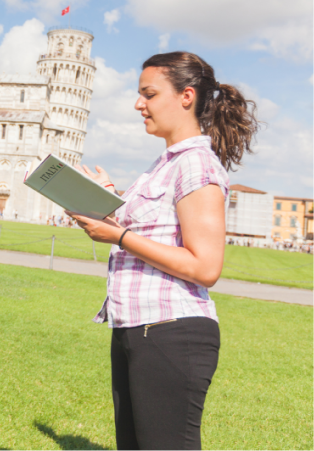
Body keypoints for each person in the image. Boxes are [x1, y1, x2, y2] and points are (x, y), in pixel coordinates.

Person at [66, 51, 258, 451]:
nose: (139, 104)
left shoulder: (196, 165)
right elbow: (159, 233)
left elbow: (205, 267)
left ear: (186, 96)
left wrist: (117, 236)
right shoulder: (162, 164)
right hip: (136, 328)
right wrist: (111, 202)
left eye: (149, 94)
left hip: (173, 332)